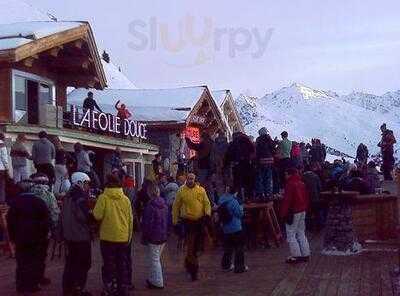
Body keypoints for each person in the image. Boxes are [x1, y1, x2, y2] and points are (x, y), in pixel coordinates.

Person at [7, 179, 50, 294]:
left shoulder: (15, 203)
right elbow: (46, 220)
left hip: (20, 238)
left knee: (22, 262)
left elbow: (10, 221)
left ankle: (21, 285)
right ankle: (32, 285)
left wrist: (12, 237)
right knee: (33, 261)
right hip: (36, 238)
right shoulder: (39, 202)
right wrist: (44, 234)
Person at [93, 174, 133, 296]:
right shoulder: (125, 199)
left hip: (107, 236)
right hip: (122, 236)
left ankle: (109, 286)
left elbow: (97, 215)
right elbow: (130, 219)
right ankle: (122, 287)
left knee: (108, 263)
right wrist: (129, 237)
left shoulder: (103, 197)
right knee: (122, 263)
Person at [172, 173, 211, 281]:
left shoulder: (201, 190)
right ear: (186, 179)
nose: (190, 180)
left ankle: (189, 262)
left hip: (199, 222)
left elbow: (207, 203)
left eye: (192, 179)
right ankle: (193, 270)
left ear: (195, 180)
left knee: (197, 246)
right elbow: (176, 207)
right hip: (187, 222)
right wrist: (175, 222)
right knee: (191, 247)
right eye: (188, 179)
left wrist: (207, 214)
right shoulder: (181, 191)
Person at [62, 172, 93, 296]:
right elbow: (82, 216)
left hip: (69, 236)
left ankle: (68, 288)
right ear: (79, 182)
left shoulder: (68, 196)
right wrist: (91, 216)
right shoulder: (79, 197)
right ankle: (78, 288)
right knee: (83, 263)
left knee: (71, 263)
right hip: (80, 235)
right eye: (86, 183)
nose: (88, 187)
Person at [280, 168, 310, 264]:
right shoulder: (301, 183)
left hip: (292, 211)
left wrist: (283, 214)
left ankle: (296, 255)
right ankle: (305, 253)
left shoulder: (290, 184)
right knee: (301, 232)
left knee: (291, 234)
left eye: (285, 174)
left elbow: (287, 201)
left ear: (288, 174)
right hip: (302, 210)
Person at [141, 181, 168, 289]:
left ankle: (157, 282)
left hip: (154, 236)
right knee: (155, 259)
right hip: (163, 235)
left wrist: (145, 236)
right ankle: (153, 279)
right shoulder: (164, 205)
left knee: (154, 260)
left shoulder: (150, 206)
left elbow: (147, 223)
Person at [218, 186, 247, 273]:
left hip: (226, 228)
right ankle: (239, 267)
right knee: (239, 248)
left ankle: (226, 265)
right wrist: (241, 207)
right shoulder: (234, 201)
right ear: (235, 193)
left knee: (228, 248)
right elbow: (239, 214)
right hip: (236, 227)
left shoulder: (221, 200)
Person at [224, 132, 256, 201]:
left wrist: (225, 165)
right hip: (247, 164)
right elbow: (253, 151)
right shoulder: (247, 141)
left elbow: (228, 155)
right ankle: (249, 198)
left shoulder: (232, 144)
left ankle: (239, 199)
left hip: (237, 165)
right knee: (248, 182)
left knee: (238, 183)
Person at [255, 127, 275, 202]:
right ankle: (268, 194)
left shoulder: (258, 140)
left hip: (261, 161)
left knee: (260, 178)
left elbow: (257, 151)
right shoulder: (269, 139)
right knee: (268, 178)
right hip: (270, 160)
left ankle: (261, 194)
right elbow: (273, 149)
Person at [302, 165, 323, 230]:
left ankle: (309, 226)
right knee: (317, 213)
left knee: (308, 213)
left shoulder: (303, 176)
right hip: (315, 197)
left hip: (306, 197)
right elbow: (319, 187)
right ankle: (319, 226)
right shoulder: (315, 176)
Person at [0, 133, 9, 203]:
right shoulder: (2, 146)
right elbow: (4, 159)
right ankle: (2, 201)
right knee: (2, 186)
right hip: (1, 169)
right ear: (3, 138)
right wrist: (7, 169)